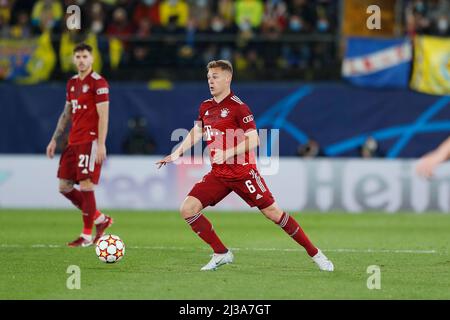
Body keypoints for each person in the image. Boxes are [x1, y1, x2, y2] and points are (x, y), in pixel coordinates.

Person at [156, 60, 334, 271]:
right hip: (219, 174)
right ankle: (221, 253)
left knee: (274, 213)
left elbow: (254, 140)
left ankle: (316, 254)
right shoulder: (206, 106)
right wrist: (176, 153)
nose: (210, 81)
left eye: (215, 77)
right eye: (208, 78)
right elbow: (198, 131)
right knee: (188, 208)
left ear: (228, 78)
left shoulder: (239, 107)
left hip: (243, 173)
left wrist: (228, 152)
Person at [46, 43, 113, 247]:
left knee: (85, 184)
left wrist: (101, 144)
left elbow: (104, 115)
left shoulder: (98, 83)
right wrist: (54, 138)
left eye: (85, 56)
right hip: (73, 141)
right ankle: (100, 219)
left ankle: (86, 235)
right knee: (64, 186)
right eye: (78, 56)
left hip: (90, 141)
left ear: (92, 59)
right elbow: (67, 113)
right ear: (73, 59)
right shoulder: (72, 83)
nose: (81, 60)